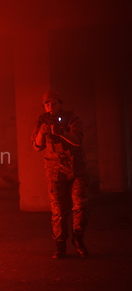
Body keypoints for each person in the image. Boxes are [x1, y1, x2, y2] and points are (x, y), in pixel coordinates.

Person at [32, 90, 90, 259]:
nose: (50, 106)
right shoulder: (41, 121)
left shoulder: (72, 118)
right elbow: (37, 146)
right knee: (58, 209)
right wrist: (43, 132)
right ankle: (60, 244)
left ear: (60, 103)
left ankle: (78, 238)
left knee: (80, 205)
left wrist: (62, 133)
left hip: (76, 168)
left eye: (54, 103)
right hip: (54, 170)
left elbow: (78, 141)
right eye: (47, 104)